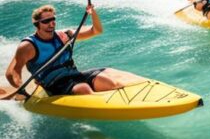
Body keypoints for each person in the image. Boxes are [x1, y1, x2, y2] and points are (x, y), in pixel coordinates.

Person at [4, 5, 142, 97]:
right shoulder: (28, 46)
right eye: (46, 21)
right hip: (53, 83)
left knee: (108, 82)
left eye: (53, 19)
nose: (51, 24)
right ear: (37, 24)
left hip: (74, 75)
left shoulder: (64, 35)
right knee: (83, 89)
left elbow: (96, 30)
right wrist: (20, 88)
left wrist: (92, 12)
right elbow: (13, 71)